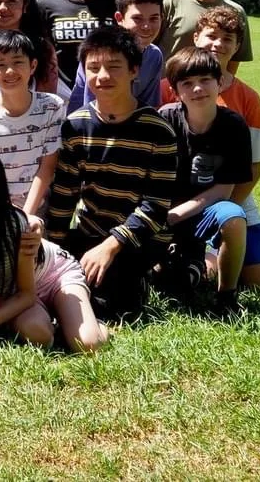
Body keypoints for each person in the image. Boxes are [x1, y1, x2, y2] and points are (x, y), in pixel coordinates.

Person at [46, 26, 177, 320]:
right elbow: (65, 195)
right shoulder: (75, 126)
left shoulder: (157, 130)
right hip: (89, 232)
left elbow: (156, 205)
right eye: (93, 68)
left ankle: (151, 274)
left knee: (109, 306)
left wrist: (111, 246)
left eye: (114, 66)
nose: (103, 76)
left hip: (138, 239)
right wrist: (54, 250)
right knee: (61, 289)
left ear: (134, 70)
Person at [0, 148, 106, 352]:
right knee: (36, 333)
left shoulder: (12, 226)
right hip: (13, 292)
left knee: (89, 345)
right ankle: (57, 321)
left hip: (56, 277)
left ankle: (93, 323)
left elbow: (27, 294)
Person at [162, 6, 260, 290]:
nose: (218, 44)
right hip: (175, 191)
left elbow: (252, 170)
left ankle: (208, 263)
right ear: (196, 37)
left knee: (258, 284)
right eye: (211, 36)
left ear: (237, 47)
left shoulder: (247, 99)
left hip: (233, 191)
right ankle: (187, 262)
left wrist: (220, 220)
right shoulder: (167, 89)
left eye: (227, 39)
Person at [159, 48, 251, 317]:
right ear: (175, 91)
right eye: (187, 83)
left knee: (234, 216)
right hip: (162, 208)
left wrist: (177, 214)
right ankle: (188, 266)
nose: (197, 89)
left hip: (205, 210)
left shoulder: (234, 126)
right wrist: (160, 215)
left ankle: (226, 297)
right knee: (167, 280)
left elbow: (224, 190)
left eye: (205, 80)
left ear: (220, 82)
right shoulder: (165, 119)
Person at [0, 31, 65, 218]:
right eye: (0, 65)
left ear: (33, 65)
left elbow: (47, 167)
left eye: (18, 62)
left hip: (37, 206)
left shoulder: (51, 107)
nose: (10, 71)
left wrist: (26, 216)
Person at [68, 0, 165, 111]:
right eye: (137, 18)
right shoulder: (98, 53)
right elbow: (90, 104)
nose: (146, 26)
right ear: (119, 18)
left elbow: (149, 104)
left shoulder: (154, 56)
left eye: (154, 18)